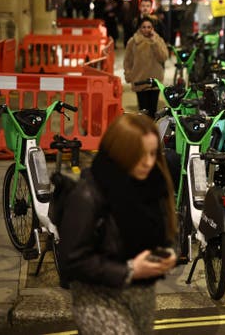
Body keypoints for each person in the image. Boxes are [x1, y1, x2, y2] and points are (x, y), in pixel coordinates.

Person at [59, 113, 177, 334]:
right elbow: (71, 260)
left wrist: (169, 253)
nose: (149, 162)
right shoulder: (87, 195)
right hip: (98, 299)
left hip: (141, 296)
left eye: (153, 153)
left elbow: (167, 232)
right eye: (139, 154)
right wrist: (129, 270)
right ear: (120, 151)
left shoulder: (153, 185)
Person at [124, 16, 169, 117]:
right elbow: (128, 60)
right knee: (143, 112)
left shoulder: (158, 40)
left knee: (153, 112)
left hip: (155, 80)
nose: (146, 29)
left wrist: (154, 42)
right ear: (139, 28)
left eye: (149, 27)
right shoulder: (133, 41)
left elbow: (164, 57)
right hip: (139, 79)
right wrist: (128, 74)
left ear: (152, 28)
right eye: (144, 27)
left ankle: (152, 131)